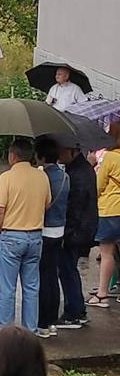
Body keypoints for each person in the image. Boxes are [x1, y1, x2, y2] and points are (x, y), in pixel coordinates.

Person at [0, 138, 52, 332]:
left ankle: (6, 332)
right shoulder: (42, 177)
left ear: (12, 155)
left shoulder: (6, 178)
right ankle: (30, 330)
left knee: (8, 288)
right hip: (35, 237)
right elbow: (47, 204)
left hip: (11, 236)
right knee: (32, 287)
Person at [34, 136, 70, 339]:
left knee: (41, 277)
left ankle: (42, 321)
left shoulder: (43, 178)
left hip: (44, 230)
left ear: (40, 156)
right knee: (52, 276)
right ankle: (52, 320)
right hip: (60, 230)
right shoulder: (66, 177)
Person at [58, 143, 96, 327]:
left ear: (72, 150)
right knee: (69, 269)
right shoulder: (82, 169)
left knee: (67, 270)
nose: (59, 154)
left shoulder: (77, 174)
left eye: (62, 150)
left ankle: (74, 311)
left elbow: (75, 207)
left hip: (76, 230)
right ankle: (76, 309)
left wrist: (66, 232)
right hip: (83, 228)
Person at [88, 122, 120, 310]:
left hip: (110, 210)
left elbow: (98, 185)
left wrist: (93, 166)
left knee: (107, 253)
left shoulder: (109, 157)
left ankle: (102, 294)